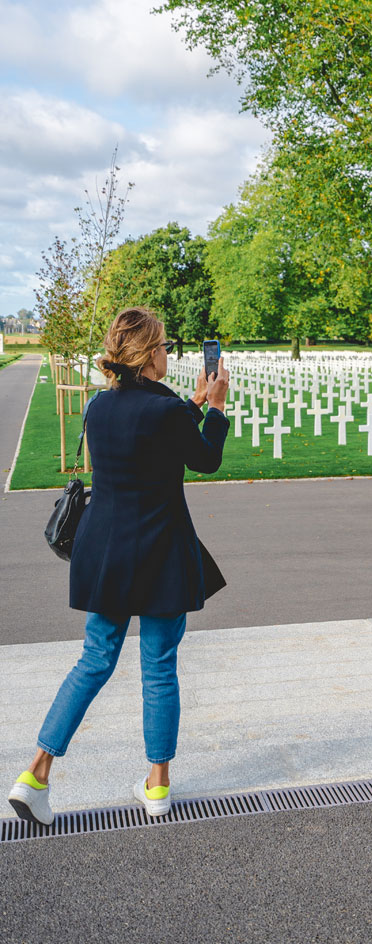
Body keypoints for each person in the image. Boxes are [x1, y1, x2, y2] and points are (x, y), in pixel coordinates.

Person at [7, 307, 230, 826]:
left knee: (93, 660)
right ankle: (157, 785)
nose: (169, 353)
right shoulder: (166, 411)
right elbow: (205, 459)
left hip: (105, 552)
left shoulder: (97, 407)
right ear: (150, 354)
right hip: (161, 554)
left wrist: (193, 404)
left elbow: (145, 435)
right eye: (165, 346)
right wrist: (216, 408)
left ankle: (35, 774)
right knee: (159, 667)